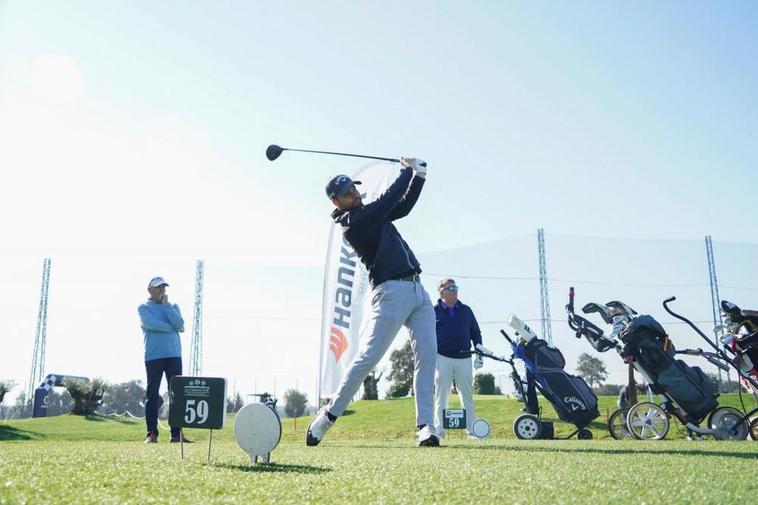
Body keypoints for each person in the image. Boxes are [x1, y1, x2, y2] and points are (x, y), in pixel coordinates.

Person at [307, 157, 439, 447]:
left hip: (418, 291)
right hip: (390, 292)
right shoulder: (353, 223)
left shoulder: (370, 214)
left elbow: (401, 206)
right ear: (336, 203)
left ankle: (426, 426)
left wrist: (420, 177)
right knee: (369, 358)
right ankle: (327, 417)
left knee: (427, 358)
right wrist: (407, 171)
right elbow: (389, 200)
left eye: (353, 189)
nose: (354, 194)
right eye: (347, 194)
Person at [138, 276, 190, 444]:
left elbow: (180, 323)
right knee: (152, 395)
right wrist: (174, 328)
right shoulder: (143, 308)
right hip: (154, 356)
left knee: (177, 395)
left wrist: (167, 307)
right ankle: (151, 434)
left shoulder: (172, 306)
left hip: (174, 355)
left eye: (163, 287)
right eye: (158, 287)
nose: (162, 290)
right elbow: (152, 324)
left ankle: (176, 434)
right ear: (150, 289)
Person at [433, 278, 483, 438]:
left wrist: (480, 353)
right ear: (441, 291)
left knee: (466, 395)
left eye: (456, 287)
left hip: (464, 357)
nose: (455, 290)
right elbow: (427, 335)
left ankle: (472, 431)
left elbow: (476, 333)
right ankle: (439, 431)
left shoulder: (466, 310)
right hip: (442, 357)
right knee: (441, 395)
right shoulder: (433, 311)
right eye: (451, 288)